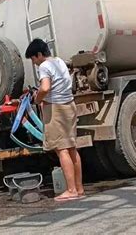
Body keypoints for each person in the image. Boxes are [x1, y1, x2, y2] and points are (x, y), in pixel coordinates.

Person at [25, 38, 85, 201]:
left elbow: (45, 87)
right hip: (69, 105)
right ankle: (79, 188)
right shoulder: (59, 61)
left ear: (38, 54)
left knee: (61, 149)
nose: (34, 63)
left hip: (55, 108)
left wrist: (37, 99)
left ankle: (71, 190)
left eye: (33, 58)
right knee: (72, 147)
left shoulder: (44, 66)